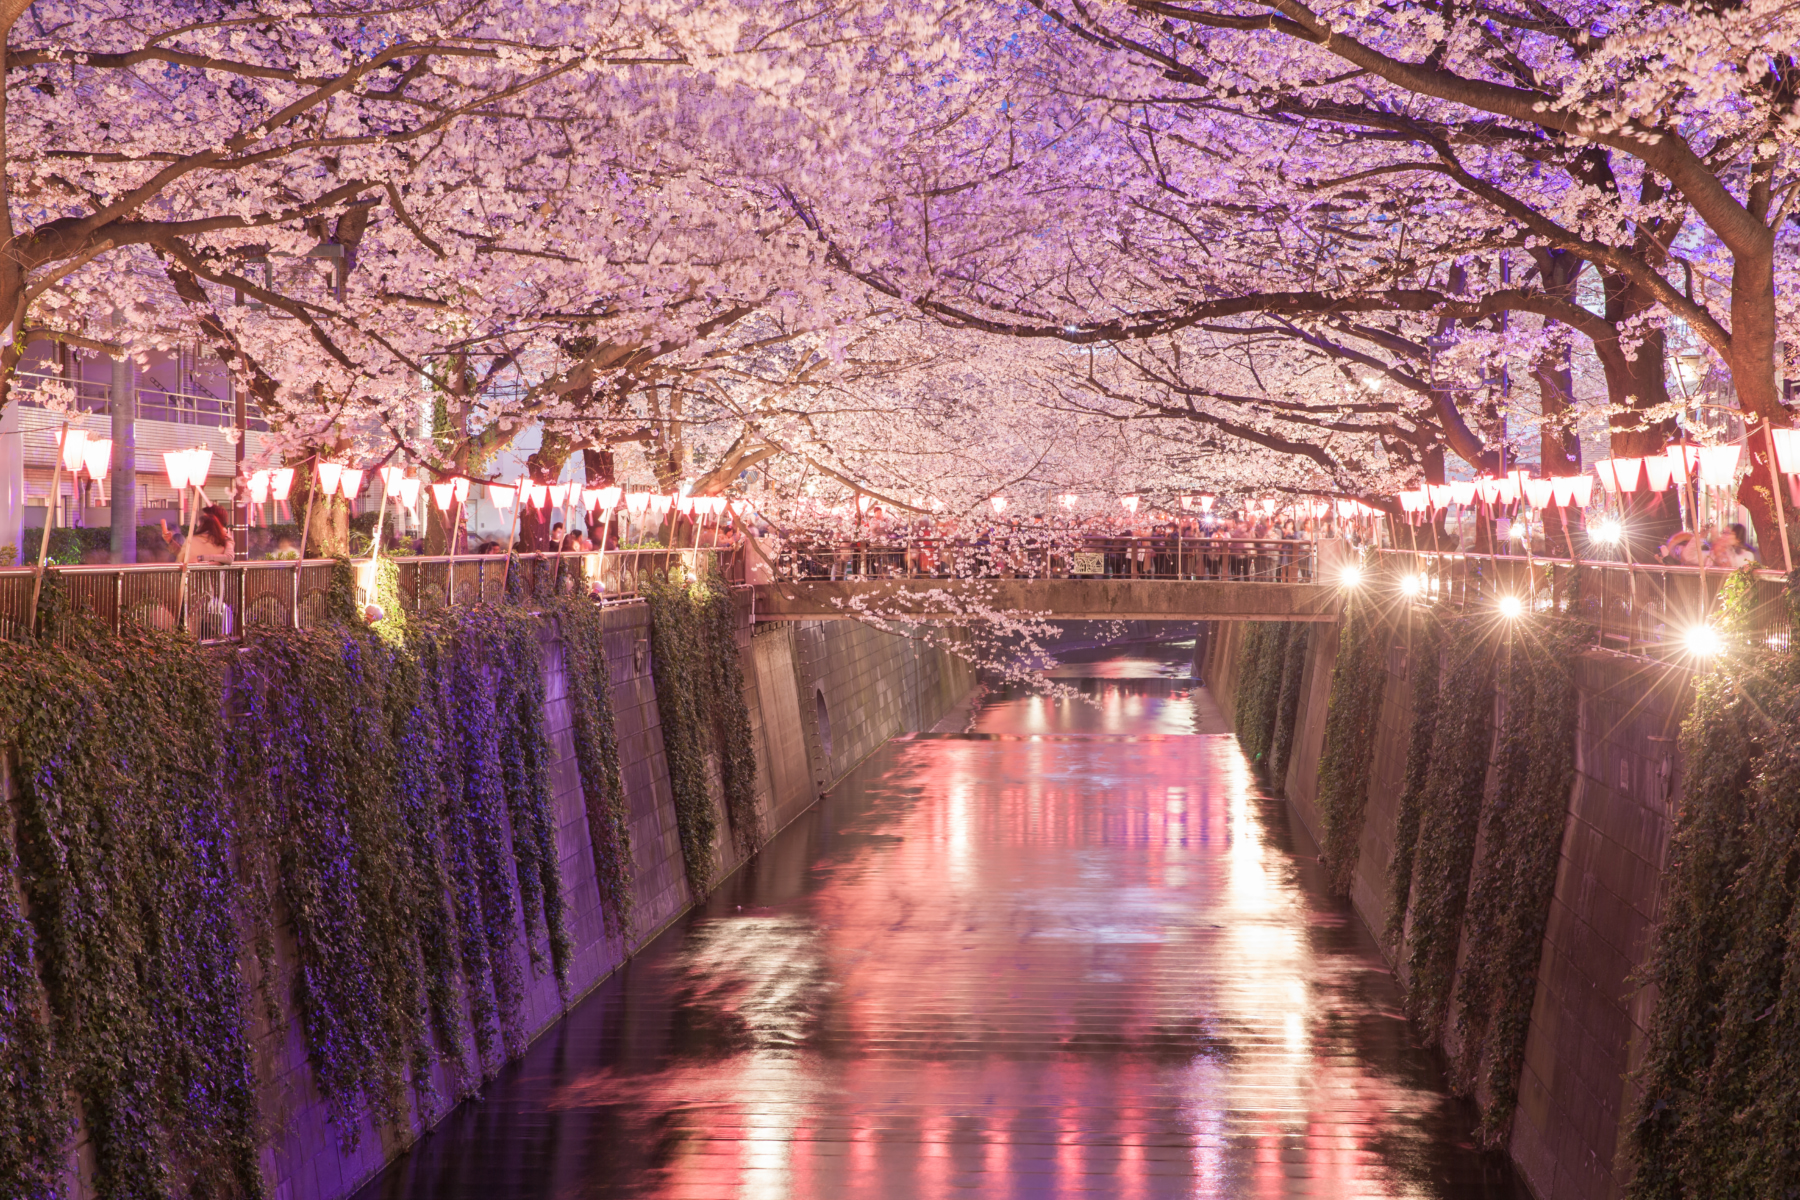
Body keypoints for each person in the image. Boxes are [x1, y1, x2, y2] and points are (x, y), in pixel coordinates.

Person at [161, 506, 233, 562]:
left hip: (195, 578)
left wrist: (201, 557)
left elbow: (229, 558)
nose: (203, 521)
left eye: (206, 518)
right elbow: (188, 555)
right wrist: (170, 541)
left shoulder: (225, 538)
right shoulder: (196, 539)